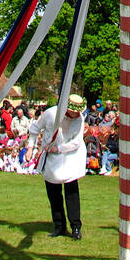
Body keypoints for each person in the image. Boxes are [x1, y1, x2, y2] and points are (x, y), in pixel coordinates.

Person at [27, 94, 87, 240]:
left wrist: (59, 148)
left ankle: (75, 227)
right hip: (52, 158)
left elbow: (76, 142)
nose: (76, 115)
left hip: (71, 156)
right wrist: (30, 147)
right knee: (53, 193)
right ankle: (59, 226)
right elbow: (35, 128)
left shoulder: (79, 119)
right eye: (74, 111)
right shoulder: (51, 114)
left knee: (71, 192)